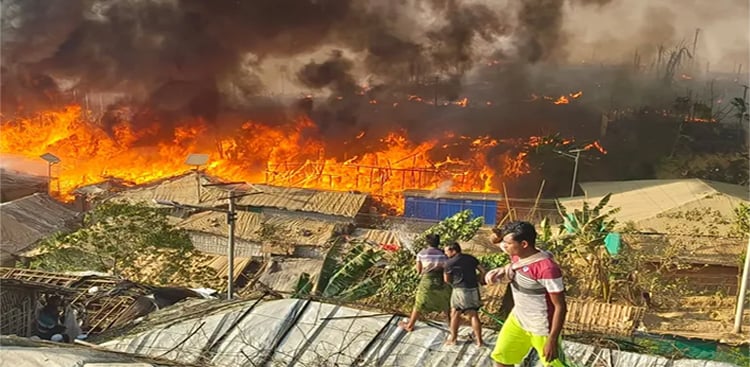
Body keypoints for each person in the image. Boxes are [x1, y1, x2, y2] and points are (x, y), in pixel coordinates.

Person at [485, 221, 568, 367]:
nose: (505, 246)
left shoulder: (547, 269)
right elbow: (496, 241)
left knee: (554, 364)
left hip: (542, 327)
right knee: (502, 359)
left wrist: (552, 340)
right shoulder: (517, 254)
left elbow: (560, 306)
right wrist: (498, 236)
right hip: (518, 320)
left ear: (524, 244)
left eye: (508, 243)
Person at [398, 233, 451, 332]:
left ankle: (410, 325)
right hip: (441, 280)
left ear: (427, 242)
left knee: (419, 302)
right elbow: (447, 268)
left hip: (427, 280)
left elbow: (418, 271)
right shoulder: (443, 254)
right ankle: (451, 326)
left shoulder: (422, 253)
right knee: (445, 303)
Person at [443, 242, 486, 346]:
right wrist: (480, 280)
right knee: (472, 314)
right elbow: (483, 270)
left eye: (446, 251)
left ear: (453, 251)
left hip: (459, 290)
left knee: (456, 313)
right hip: (473, 288)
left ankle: (453, 339)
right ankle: (479, 341)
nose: (446, 254)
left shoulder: (449, 263)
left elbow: (446, 279)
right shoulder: (470, 258)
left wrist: (454, 283)